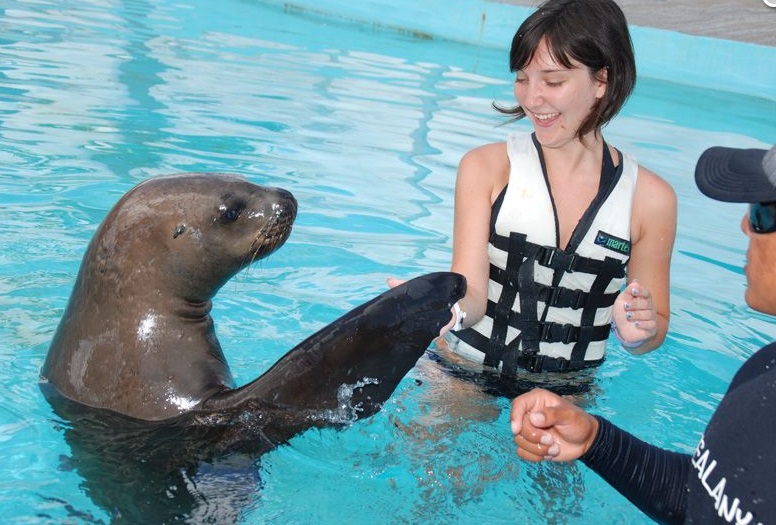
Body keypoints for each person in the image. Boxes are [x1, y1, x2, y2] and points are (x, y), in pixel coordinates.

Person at [396, 0, 677, 390]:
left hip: (566, 390)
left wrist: (641, 332)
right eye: (522, 79)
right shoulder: (486, 169)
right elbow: (472, 290)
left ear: (602, 81)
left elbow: (655, 323)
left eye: (553, 81)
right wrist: (446, 311)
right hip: (460, 369)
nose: (531, 98)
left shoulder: (650, 200)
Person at [510, 143, 776, 524]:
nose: (745, 226)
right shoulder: (763, 369)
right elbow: (708, 498)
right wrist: (595, 441)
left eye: (762, 214)